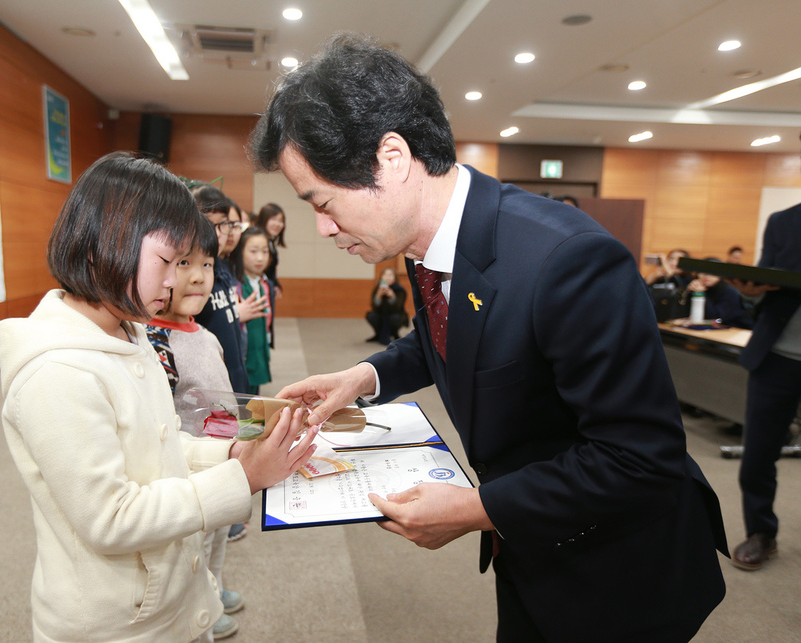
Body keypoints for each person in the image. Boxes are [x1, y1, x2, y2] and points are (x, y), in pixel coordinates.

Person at [250, 33, 727, 642]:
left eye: (323, 202)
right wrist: (363, 378)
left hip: (618, 569)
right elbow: (447, 336)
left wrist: (478, 509)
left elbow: (639, 458)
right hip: (531, 545)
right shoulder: (422, 242)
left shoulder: (567, 261)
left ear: (391, 158)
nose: (322, 227)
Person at [0, 152, 317, 643]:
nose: (176, 281)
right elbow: (111, 518)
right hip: (114, 624)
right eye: (168, 262)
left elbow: (161, 443)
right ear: (104, 245)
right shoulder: (57, 371)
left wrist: (231, 451)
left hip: (167, 598)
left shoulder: (129, 331)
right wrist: (243, 477)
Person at [146, 215, 245, 639]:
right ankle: (199, 602)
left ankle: (215, 587)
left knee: (220, 541)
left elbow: (221, 396)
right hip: (190, 477)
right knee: (197, 547)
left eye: (207, 265)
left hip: (223, 461)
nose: (200, 277)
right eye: (184, 264)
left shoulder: (204, 334)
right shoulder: (155, 342)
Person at [728, 199, 801, 570]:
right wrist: (748, 292)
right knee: (757, 455)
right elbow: (760, 285)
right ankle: (761, 533)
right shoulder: (783, 221)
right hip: (777, 358)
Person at [190, 185, 263, 393]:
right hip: (211, 385)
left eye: (223, 225)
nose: (217, 234)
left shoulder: (221, 267)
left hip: (235, 375)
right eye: (209, 224)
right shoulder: (195, 276)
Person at [232, 226, 273, 394]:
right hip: (242, 358)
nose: (260, 258)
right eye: (253, 251)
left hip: (258, 354)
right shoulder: (236, 285)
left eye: (265, 252)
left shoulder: (263, 283)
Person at [685, 259, 754, 329]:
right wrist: (689, 292)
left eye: (712, 272)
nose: (707, 276)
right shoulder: (700, 287)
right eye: (703, 271)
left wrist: (701, 294)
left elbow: (714, 318)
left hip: (736, 331)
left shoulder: (729, 292)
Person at [256, 202, 286, 348]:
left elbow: (270, 270)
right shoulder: (259, 240)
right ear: (264, 219)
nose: (278, 224)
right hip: (257, 290)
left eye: (281, 221)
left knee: (266, 328)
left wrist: (276, 283)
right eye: (274, 219)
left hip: (267, 288)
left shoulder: (270, 242)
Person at [365, 266, 408, 344]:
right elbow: (374, 307)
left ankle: (395, 334)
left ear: (395, 278)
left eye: (390, 275)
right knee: (371, 315)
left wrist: (392, 296)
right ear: (381, 277)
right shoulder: (377, 289)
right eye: (385, 275)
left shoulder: (399, 290)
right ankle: (378, 334)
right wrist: (378, 296)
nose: (387, 278)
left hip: (396, 315)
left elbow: (398, 307)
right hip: (381, 314)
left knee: (395, 318)